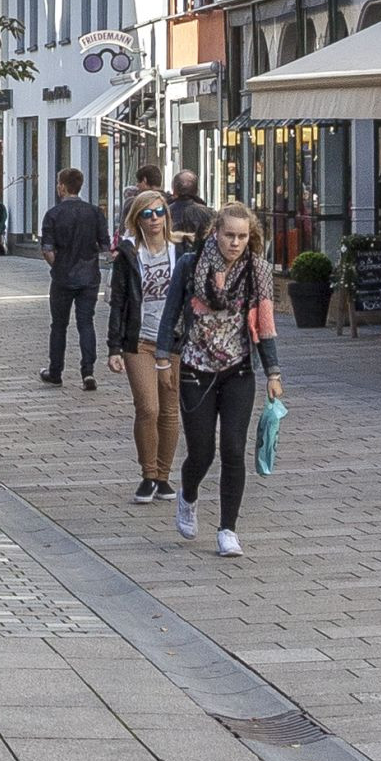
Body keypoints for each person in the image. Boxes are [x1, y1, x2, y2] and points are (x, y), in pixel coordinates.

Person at [167, 207, 278, 558]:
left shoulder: (256, 271)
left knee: (233, 449)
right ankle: (188, 496)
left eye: (242, 236)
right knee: (201, 452)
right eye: (229, 235)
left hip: (238, 370)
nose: (235, 242)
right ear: (216, 231)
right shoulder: (192, 264)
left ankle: (227, 529)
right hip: (195, 370)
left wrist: (273, 372)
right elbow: (172, 312)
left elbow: (265, 324)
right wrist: (161, 358)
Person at [104, 192, 193, 504]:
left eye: (159, 212)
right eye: (147, 214)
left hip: (174, 343)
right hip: (137, 340)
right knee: (148, 408)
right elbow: (118, 302)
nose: (154, 219)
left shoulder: (181, 250)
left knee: (170, 411)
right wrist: (114, 347)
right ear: (136, 219)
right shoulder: (129, 255)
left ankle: (164, 477)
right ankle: (148, 474)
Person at [34, 167, 111, 390]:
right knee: (86, 323)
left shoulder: (53, 214)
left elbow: (47, 249)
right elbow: (105, 247)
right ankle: (88, 372)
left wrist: (58, 266)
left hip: (63, 277)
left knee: (59, 325)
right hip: (89, 276)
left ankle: (55, 371)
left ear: (61, 186)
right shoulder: (95, 213)